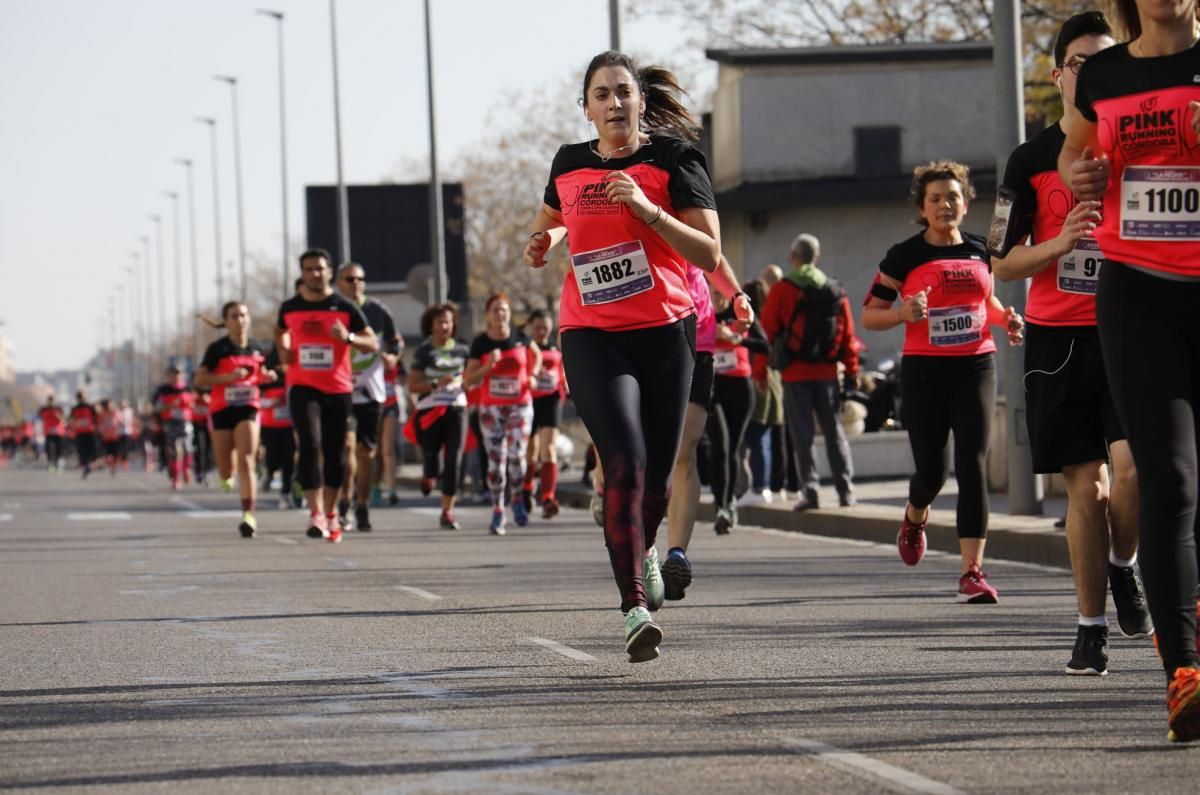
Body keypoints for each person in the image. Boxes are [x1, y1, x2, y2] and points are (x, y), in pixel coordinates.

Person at [523, 51, 723, 661]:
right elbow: (554, 219)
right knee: (625, 462)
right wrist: (544, 240)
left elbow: (709, 254)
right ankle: (634, 604)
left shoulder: (675, 159)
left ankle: (647, 544)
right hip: (591, 332)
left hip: (665, 331)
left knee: (658, 476)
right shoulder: (570, 162)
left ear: (639, 102)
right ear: (586, 108)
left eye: (623, 93)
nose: (613, 103)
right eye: (601, 95)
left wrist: (649, 210)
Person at [992, 11, 1151, 677]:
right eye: (1079, 61)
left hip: (1133, 325)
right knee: (1084, 489)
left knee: (1134, 469)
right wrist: (1059, 245)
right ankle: (1090, 628)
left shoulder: (1139, 141)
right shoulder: (1030, 160)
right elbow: (1001, 262)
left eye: (1103, 60)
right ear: (1057, 74)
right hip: (1058, 340)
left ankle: (1124, 562)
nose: (1091, 72)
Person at [1058, 0, 1200, 742]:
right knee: (1169, 480)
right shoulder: (1106, 74)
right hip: (1138, 291)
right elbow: (1070, 155)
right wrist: (1080, 174)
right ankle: (1184, 673)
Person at [862, 161, 1025, 603]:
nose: (944, 204)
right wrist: (901, 313)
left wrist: (1005, 319)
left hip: (975, 366)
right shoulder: (905, 256)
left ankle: (972, 572)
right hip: (924, 372)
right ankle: (916, 515)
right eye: (935, 198)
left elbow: (986, 301)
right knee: (931, 472)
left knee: (972, 467)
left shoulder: (979, 249)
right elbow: (869, 314)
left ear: (966, 203)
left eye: (953, 197)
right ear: (922, 207)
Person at [275, 249, 377, 543]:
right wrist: (284, 350)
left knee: (335, 453)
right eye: (308, 270)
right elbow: (280, 331)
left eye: (319, 269)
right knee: (310, 443)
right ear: (302, 274)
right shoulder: (290, 307)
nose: (314, 274)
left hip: (338, 388)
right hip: (302, 386)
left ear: (329, 272)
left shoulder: (344, 307)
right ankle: (316, 513)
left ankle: (331, 513)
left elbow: (372, 342)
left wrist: (349, 338)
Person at [762, 233, 861, 511]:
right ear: (816, 257)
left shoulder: (783, 289)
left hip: (794, 374)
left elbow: (767, 334)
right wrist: (852, 370)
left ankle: (811, 491)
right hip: (828, 372)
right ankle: (846, 490)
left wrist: (761, 373)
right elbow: (848, 336)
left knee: (802, 435)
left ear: (794, 258)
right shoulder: (833, 289)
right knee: (835, 431)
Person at [195, 301, 276, 538]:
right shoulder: (217, 349)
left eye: (243, 315)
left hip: (249, 407)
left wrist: (267, 377)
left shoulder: (256, 347)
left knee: (247, 460)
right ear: (226, 321)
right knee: (225, 467)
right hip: (222, 410)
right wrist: (229, 376)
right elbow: (200, 379)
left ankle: (248, 515)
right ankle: (225, 476)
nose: (239, 320)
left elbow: (260, 375)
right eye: (234, 316)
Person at [464, 293, 540, 534]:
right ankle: (498, 508)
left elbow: (536, 355)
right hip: (492, 408)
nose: (500, 314)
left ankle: (517, 498)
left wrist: (533, 375)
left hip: (520, 403)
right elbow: (468, 379)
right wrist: (488, 367)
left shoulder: (520, 337)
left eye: (504, 309)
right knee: (497, 461)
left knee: (517, 455)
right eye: (496, 310)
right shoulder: (481, 343)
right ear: (488, 315)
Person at [335, 262, 402, 533]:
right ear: (338, 282)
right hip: (341, 389)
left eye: (360, 279)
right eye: (349, 279)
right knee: (347, 448)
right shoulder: (334, 310)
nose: (355, 283)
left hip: (371, 389)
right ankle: (344, 501)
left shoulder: (377, 311)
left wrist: (392, 356)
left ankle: (362, 504)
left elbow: (395, 342)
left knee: (367, 452)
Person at [708, 283, 767, 533]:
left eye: (723, 294)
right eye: (714, 294)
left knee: (732, 447)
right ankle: (720, 505)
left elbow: (765, 346)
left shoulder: (741, 315)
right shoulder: (703, 315)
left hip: (740, 386)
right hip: (711, 386)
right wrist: (712, 335)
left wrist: (735, 338)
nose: (719, 299)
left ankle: (729, 502)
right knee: (719, 445)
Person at [409, 302, 471, 530]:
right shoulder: (424, 351)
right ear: (431, 325)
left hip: (457, 407)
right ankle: (428, 474)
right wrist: (435, 384)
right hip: (430, 409)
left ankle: (447, 511)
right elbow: (413, 386)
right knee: (431, 455)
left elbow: (472, 379)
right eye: (439, 322)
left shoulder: (464, 350)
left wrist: (470, 383)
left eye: (448, 321)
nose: (444, 326)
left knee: (455, 458)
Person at [522, 309, 567, 519]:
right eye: (538, 327)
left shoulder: (555, 348)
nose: (542, 331)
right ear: (530, 326)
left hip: (552, 399)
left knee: (549, 449)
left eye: (546, 327)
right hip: (529, 401)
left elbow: (562, 370)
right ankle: (527, 486)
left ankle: (548, 497)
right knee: (531, 452)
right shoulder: (525, 348)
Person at [259, 347, 297, 511]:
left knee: (288, 458)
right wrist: (271, 403)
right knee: (273, 455)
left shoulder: (293, 377)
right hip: (269, 425)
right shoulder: (266, 380)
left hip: (289, 424)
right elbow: (255, 401)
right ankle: (269, 472)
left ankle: (286, 491)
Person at [152, 364, 196, 491]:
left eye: (179, 374)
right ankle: (176, 479)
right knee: (174, 451)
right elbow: (157, 408)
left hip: (185, 422)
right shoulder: (163, 390)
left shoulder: (188, 388)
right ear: (169, 376)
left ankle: (186, 469)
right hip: (170, 423)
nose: (176, 377)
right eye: (173, 374)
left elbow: (194, 404)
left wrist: (188, 403)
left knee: (187, 448)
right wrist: (170, 405)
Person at [69, 390, 98, 478]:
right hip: (79, 433)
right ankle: (87, 467)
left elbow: (96, 417)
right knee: (82, 452)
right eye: (80, 397)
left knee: (92, 451)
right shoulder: (74, 409)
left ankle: (89, 465)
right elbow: (72, 419)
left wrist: (97, 428)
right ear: (77, 398)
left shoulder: (90, 407)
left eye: (83, 396)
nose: (82, 398)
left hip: (90, 432)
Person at [191, 388, 212, 486]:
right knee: (198, 448)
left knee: (207, 449)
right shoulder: (192, 396)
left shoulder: (210, 394)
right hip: (195, 425)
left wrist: (209, 401)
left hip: (208, 425)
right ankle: (198, 471)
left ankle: (205, 471)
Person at [97, 399, 123, 476]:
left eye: (110, 405)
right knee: (108, 454)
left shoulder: (115, 413)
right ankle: (110, 466)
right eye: (108, 405)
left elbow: (121, 422)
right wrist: (100, 431)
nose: (109, 406)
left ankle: (113, 467)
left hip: (115, 437)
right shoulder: (102, 415)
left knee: (115, 454)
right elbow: (99, 424)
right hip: (105, 437)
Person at [38, 395, 64, 470]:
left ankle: (59, 461)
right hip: (48, 431)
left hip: (58, 432)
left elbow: (63, 418)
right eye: (50, 400)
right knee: (49, 447)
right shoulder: (44, 409)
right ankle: (50, 462)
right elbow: (40, 416)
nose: (51, 402)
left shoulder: (59, 409)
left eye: (52, 400)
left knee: (59, 447)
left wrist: (58, 416)